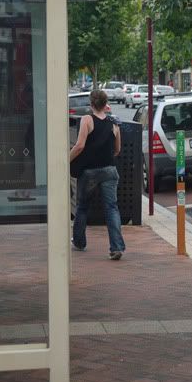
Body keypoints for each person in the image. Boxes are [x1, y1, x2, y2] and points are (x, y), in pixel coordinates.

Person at [69, 89, 126, 260]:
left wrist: (66, 159)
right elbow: (117, 149)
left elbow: (79, 146)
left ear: (91, 104)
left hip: (89, 171)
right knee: (112, 208)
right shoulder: (114, 124)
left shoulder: (87, 120)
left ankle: (79, 242)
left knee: (82, 206)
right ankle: (116, 247)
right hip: (109, 170)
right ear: (105, 103)